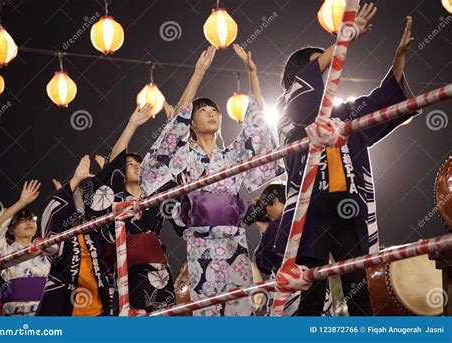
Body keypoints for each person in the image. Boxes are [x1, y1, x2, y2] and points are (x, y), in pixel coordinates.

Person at [275, 8, 419, 316]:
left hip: (347, 206)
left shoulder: (343, 115)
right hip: (310, 208)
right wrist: (343, 40)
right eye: (322, 68)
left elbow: (381, 100)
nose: (329, 74)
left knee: (358, 288)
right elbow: (302, 96)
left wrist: (399, 58)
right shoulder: (289, 112)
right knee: (309, 293)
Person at [140, 44, 284, 316]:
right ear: (191, 123)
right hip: (201, 239)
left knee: (240, 307)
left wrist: (252, 73)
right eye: (203, 110)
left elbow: (255, 126)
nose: (211, 113)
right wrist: (199, 72)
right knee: (207, 311)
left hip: (234, 238)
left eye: (214, 110)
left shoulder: (231, 155)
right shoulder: (185, 155)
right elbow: (174, 129)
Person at [105, 103, 177, 314]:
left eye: (140, 164)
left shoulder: (154, 195)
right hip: (128, 270)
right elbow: (112, 164)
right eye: (130, 164)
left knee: (164, 321)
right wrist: (131, 125)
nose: (137, 166)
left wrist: (173, 128)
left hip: (159, 269)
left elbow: (170, 163)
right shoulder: (116, 197)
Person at [37, 156, 117, 316]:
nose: (78, 204)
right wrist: (76, 179)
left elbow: (114, 211)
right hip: (65, 312)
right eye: (73, 198)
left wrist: (108, 180)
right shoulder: (61, 240)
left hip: (99, 311)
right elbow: (52, 217)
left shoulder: (96, 234)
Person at [252, 183, 332, 316]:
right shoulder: (310, 218)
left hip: (291, 293)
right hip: (319, 288)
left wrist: (263, 230)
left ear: (275, 200)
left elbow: (263, 264)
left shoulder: (276, 225)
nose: (266, 213)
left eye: (265, 208)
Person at [0, 181, 50, 316]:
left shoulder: (46, 249)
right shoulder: (5, 251)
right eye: (22, 220)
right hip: (16, 313)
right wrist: (21, 202)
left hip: (45, 310)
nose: (29, 222)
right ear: (11, 229)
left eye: (31, 219)